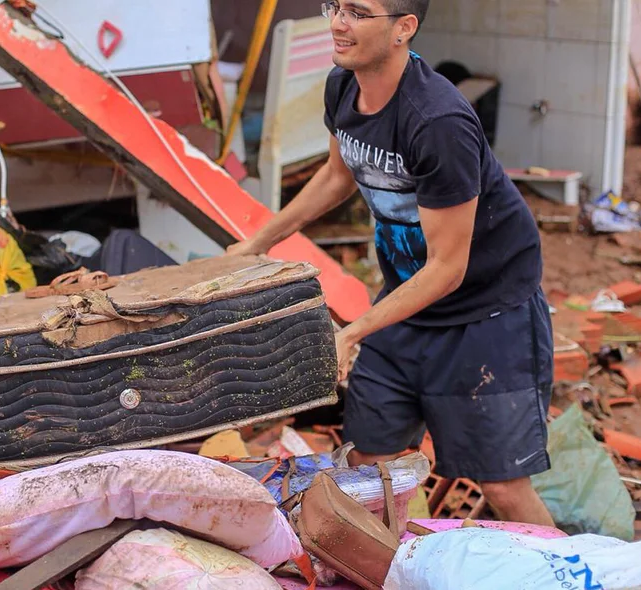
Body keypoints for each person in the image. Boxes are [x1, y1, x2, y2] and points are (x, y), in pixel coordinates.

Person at [227, 0, 555, 526]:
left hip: (486, 318)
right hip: (406, 309)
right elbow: (339, 175)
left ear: (404, 28)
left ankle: (575, 577)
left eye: (358, 11)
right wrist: (257, 242)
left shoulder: (437, 122)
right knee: (366, 464)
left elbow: (448, 268)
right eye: (333, 5)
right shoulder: (343, 84)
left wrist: (352, 332)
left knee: (502, 486)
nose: (337, 22)